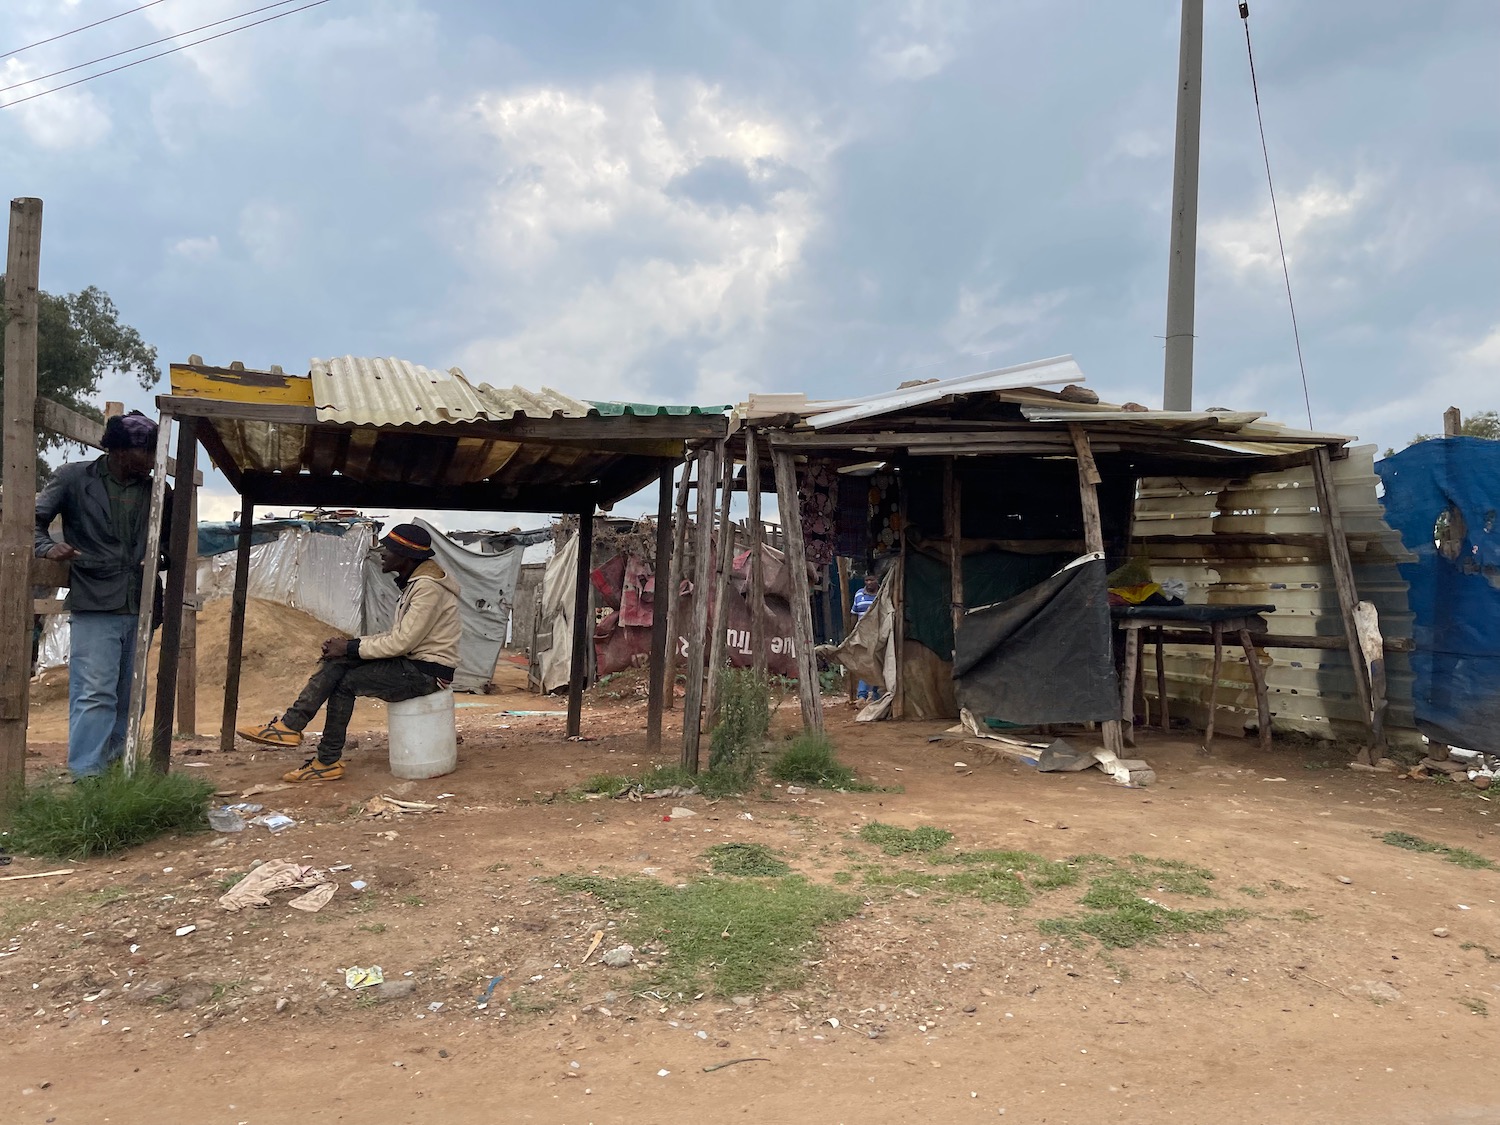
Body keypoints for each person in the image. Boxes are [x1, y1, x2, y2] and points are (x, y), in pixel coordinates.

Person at [237, 523, 461, 782]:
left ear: (406, 556)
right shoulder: (416, 584)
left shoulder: (428, 588)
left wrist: (351, 647)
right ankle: (297, 732)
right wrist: (348, 646)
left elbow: (402, 643)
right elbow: (397, 639)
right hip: (413, 665)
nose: (382, 554)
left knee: (345, 683)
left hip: (426, 673)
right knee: (340, 661)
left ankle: (312, 747)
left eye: (388, 549)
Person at [33, 411, 168, 778]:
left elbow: (170, 543)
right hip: (95, 600)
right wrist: (45, 547)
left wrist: (159, 556)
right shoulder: (74, 479)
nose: (155, 462)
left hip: (140, 605)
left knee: (130, 698)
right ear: (122, 451)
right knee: (94, 694)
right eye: (148, 453)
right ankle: (86, 777)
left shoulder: (158, 491)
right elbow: (31, 521)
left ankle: (114, 774)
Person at [851, 572, 882, 702]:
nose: (869, 583)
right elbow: (854, 613)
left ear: (877, 580)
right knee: (865, 663)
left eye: (871, 580)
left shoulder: (882, 594)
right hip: (862, 636)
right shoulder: (859, 594)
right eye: (866, 580)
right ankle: (862, 695)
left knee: (876, 665)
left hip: (878, 635)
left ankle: (875, 695)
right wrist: (852, 632)